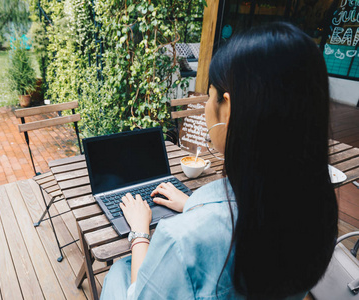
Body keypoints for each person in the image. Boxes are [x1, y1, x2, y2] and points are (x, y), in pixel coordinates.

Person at [100, 22, 338, 300]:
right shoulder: (318, 209)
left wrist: (139, 232)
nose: (205, 106)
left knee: (119, 270)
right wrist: (192, 203)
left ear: (227, 107)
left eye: (209, 93)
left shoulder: (182, 239)